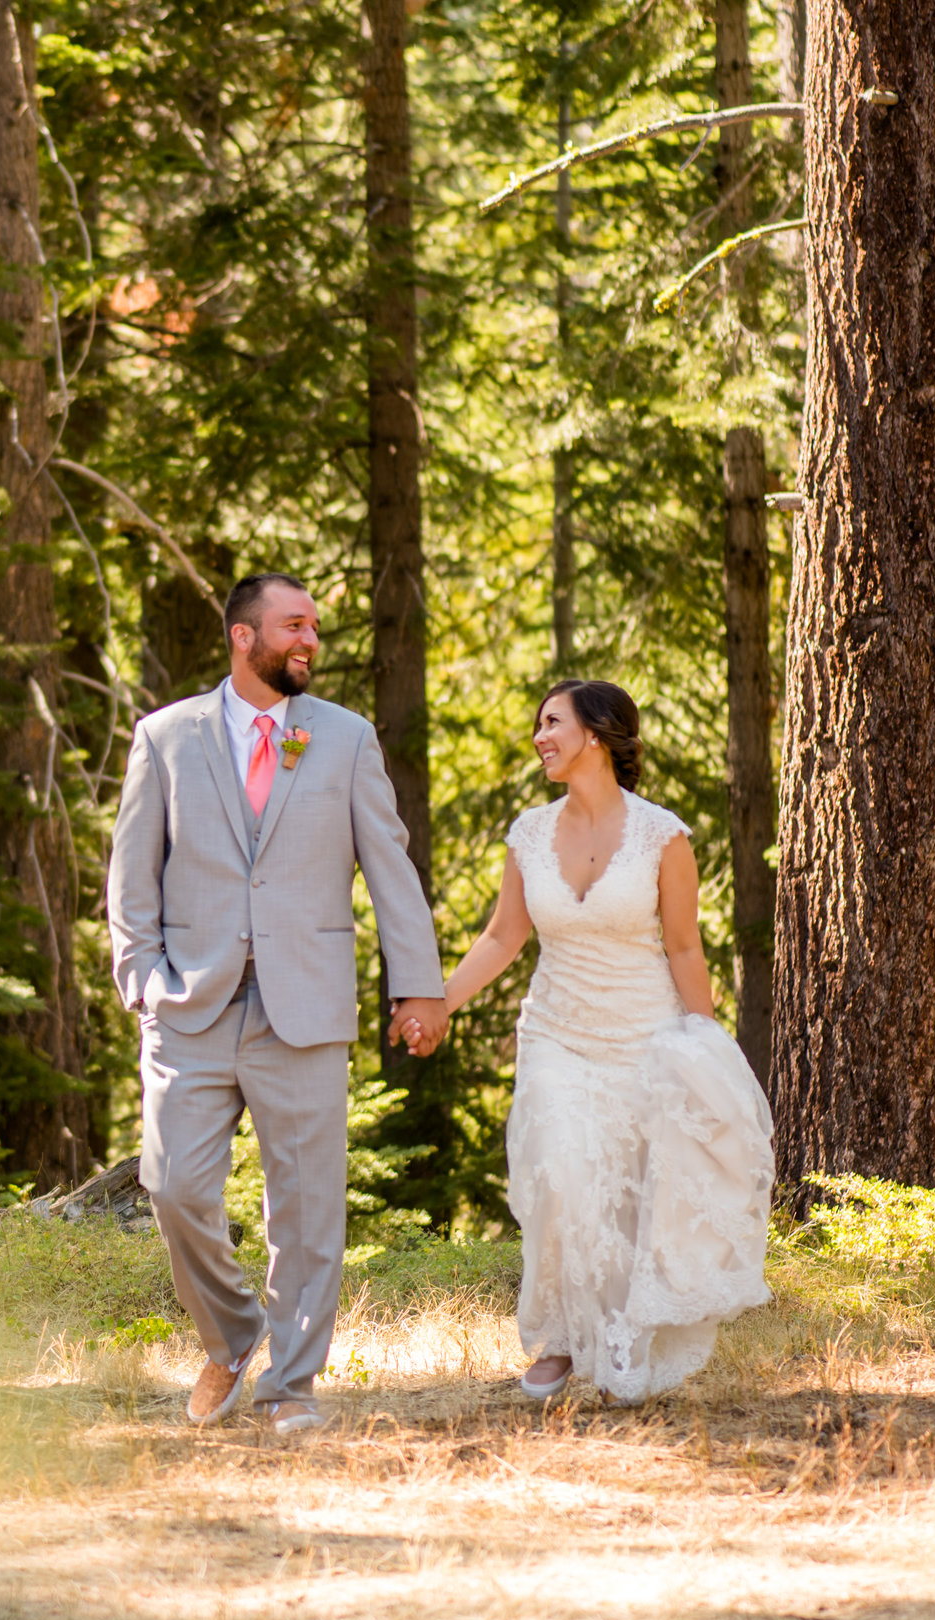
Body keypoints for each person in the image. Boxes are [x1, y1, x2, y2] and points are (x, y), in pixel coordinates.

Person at [106, 574, 447, 1434]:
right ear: (241, 635)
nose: (310, 641)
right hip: (190, 1001)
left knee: (306, 1209)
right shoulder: (165, 737)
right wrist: (142, 978)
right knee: (174, 1183)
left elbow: (391, 868)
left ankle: (292, 1386)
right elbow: (130, 875)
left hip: (306, 1000)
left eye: (316, 629)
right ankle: (233, 1332)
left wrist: (419, 984)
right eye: (294, 625)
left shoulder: (346, 738)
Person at [421, 679, 772, 1402]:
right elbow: (502, 936)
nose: (540, 736)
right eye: (538, 724)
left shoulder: (663, 836)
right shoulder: (528, 832)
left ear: (597, 734)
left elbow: (683, 949)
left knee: (626, 1195)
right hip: (555, 1035)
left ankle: (617, 1341)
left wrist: (703, 1046)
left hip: (641, 1035)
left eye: (553, 722)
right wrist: (439, 1002)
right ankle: (556, 1336)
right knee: (560, 1177)